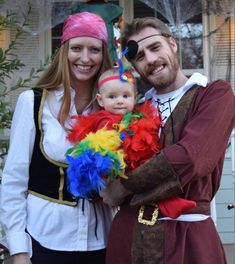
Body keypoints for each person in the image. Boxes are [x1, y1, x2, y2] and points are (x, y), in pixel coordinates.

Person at [100, 17, 235, 264]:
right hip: (128, 237)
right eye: (139, 57)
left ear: (172, 44)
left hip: (188, 240)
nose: (150, 59)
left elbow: (192, 158)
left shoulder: (213, 95)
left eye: (155, 47)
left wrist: (124, 187)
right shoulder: (133, 112)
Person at [0, 12, 114, 264]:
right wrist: (19, 251)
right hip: (45, 239)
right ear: (64, 51)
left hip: (102, 241)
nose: (85, 58)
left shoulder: (113, 108)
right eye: (76, 48)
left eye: (94, 49)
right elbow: (13, 181)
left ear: (103, 54)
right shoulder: (33, 102)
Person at [66, 66, 196, 221]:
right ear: (100, 100)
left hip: (135, 164)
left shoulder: (136, 116)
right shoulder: (105, 120)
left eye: (125, 96)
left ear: (135, 97)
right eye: (112, 97)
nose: (120, 101)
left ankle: (170, 203)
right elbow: (106, 144)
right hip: (118, 165)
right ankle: (171, 204)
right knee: (146, 183)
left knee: (151, 177)